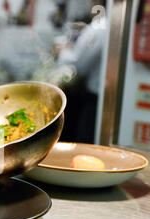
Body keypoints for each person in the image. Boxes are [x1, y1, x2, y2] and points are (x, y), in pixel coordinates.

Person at [54, 0, 106, 143]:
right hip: (99, 98)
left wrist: (63, 51)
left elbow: (77, 65)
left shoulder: (99, 27)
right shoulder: (105, 26)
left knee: (84, 140)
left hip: (95, 101)